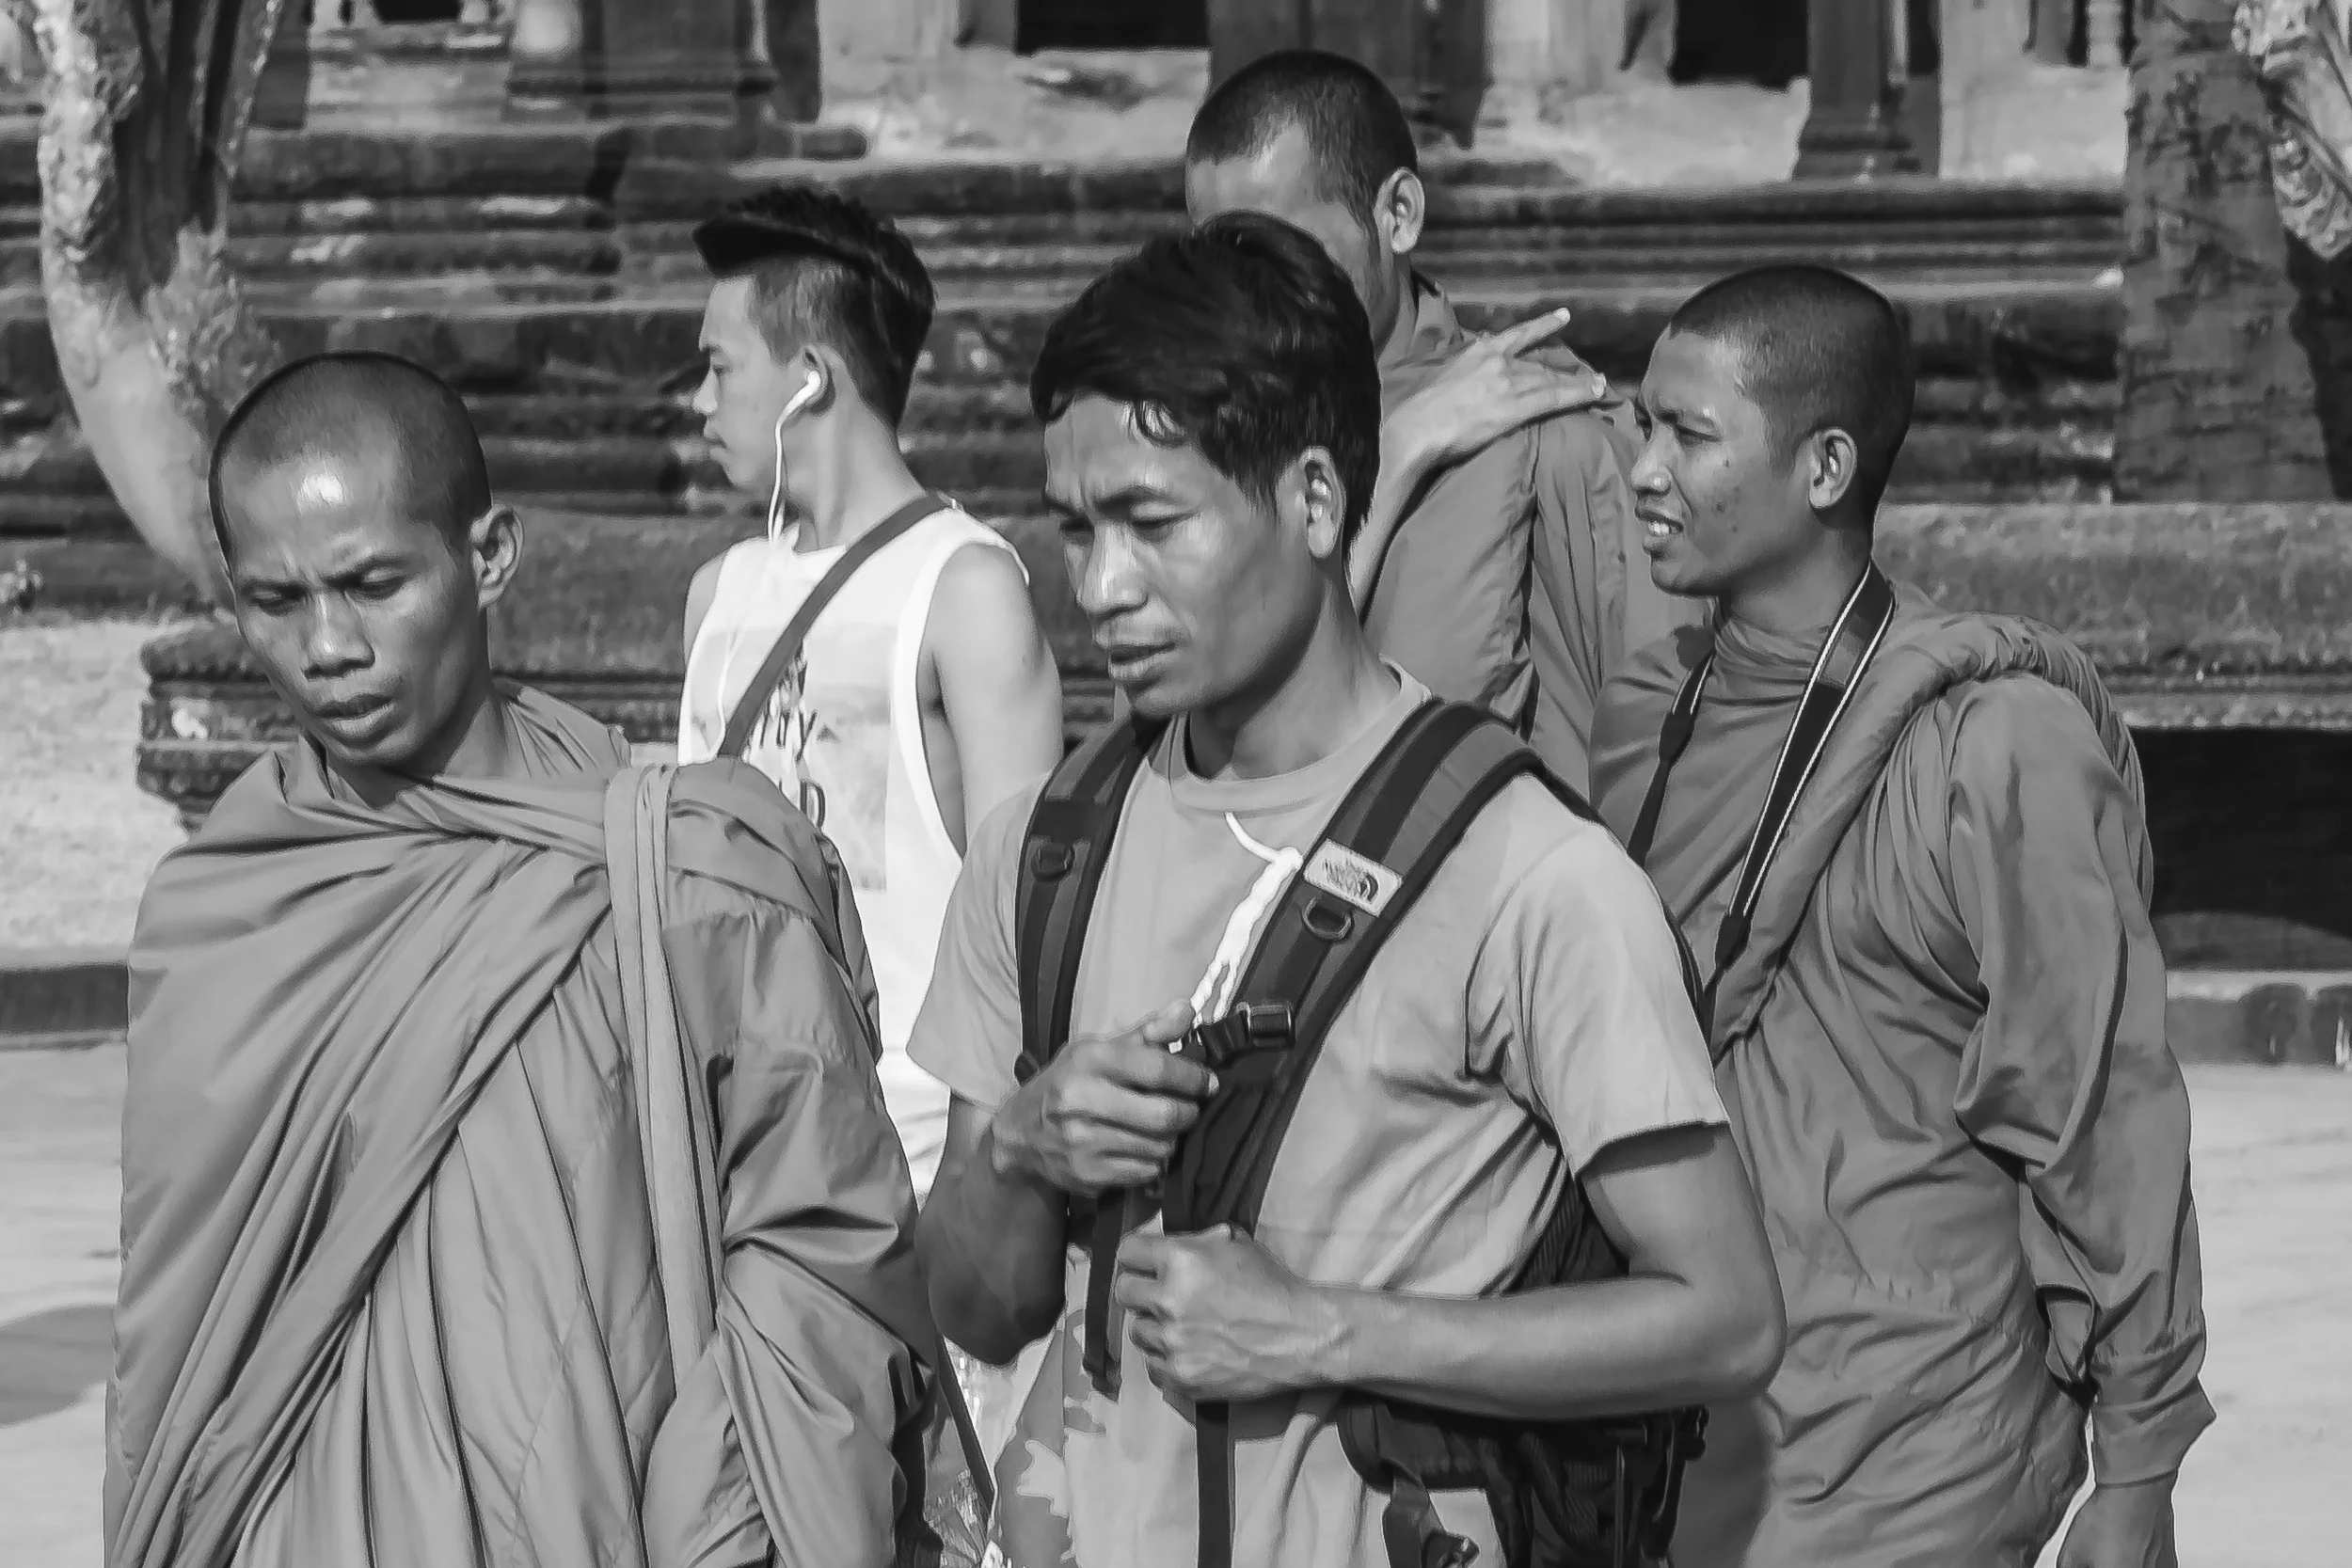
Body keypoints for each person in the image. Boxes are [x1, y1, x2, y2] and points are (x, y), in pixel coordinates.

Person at [910, 213, 1784, 1568]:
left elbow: (1726, 1314)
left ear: (1317, 501)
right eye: (1075, 531)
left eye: (1152, 524)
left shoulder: (1527, 874)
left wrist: (1323, 1325)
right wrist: (1023, 1144)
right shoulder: (1043, 853)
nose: (1099, 587)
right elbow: (976, 1302)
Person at [107, 353, 946, 1568]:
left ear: (490, 555)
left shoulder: (685, 870)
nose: (328, 644)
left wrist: (716, 1517)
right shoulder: (220, 909)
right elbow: (173, 1353)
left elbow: (828, 1253)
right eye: (275, 601)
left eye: (372, 582)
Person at [1588, 265, 2213, 1567]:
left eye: (1689, 435)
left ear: (1825, 467)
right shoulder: (1649, 712)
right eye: (1642, 426)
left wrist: (2138, 1461)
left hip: (1921, 1437)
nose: (1644, 470)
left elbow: (2099, 1103)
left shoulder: (1993, 742)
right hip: (1685, 1420)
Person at [679, 184, 1066, 1204]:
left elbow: (1023, 918)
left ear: (808, 379)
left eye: (719, 368)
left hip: (914, 1162)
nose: (698, 401)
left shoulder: (964, 590)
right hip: (728, 1149)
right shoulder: (717, 598)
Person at [1183, 48, 1708, 785]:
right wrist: (1397, 449)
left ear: (1398, 214)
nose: (1247, 293)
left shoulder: (1544, 434)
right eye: (1220, 257)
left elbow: (1657, 759)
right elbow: (1170, 757)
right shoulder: (1193, 448)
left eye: (1280, 251)